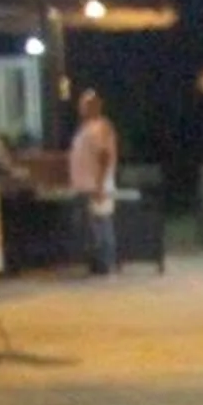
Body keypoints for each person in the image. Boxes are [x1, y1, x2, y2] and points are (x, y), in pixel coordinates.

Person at [67, 89, 120, 276]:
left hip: (97, 186)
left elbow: (105, 156)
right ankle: (95, 263)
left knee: (101, 225)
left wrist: (99, 185)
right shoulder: (85, 128)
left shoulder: (100, 127)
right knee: (90, 228)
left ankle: (105, 264)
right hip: (84, 186)